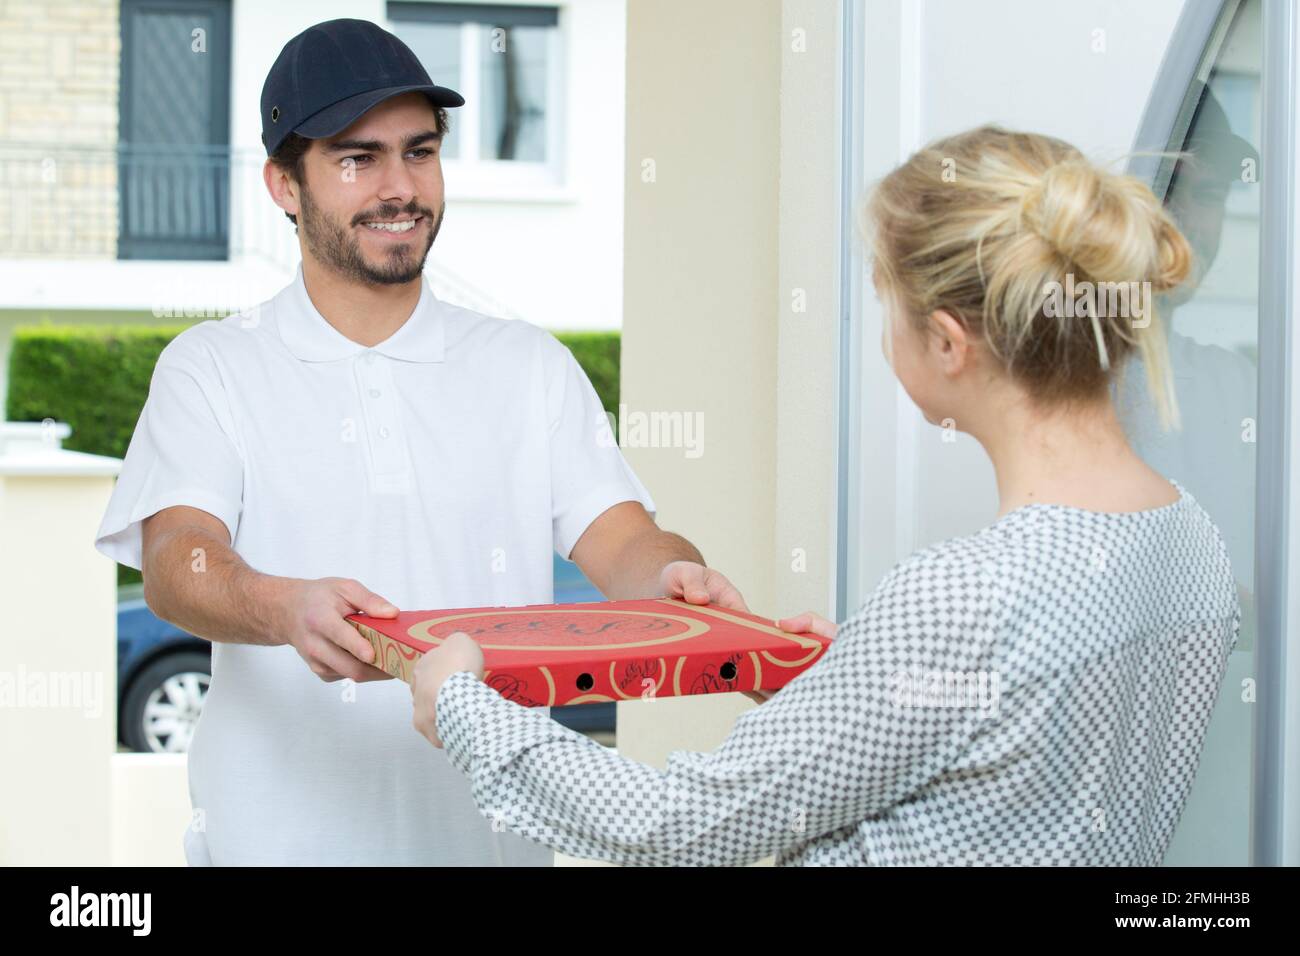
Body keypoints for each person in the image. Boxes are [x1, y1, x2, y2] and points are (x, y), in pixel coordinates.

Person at [408, 126, 1242, 866]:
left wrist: (464, 708)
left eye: (888, 305)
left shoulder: (961, 599)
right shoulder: (1189, 536)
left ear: (948, 343)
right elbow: (1028, 747)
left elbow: (671, 827)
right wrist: (857, 687)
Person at [93, 18, 743, 866]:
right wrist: (284, 606)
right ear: (284, 185)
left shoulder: (526, 365)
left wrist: (670, 579)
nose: (399, 186)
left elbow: (624, 540)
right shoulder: (211, 367)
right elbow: (180, 559)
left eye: (420, 151)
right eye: (357, 158)